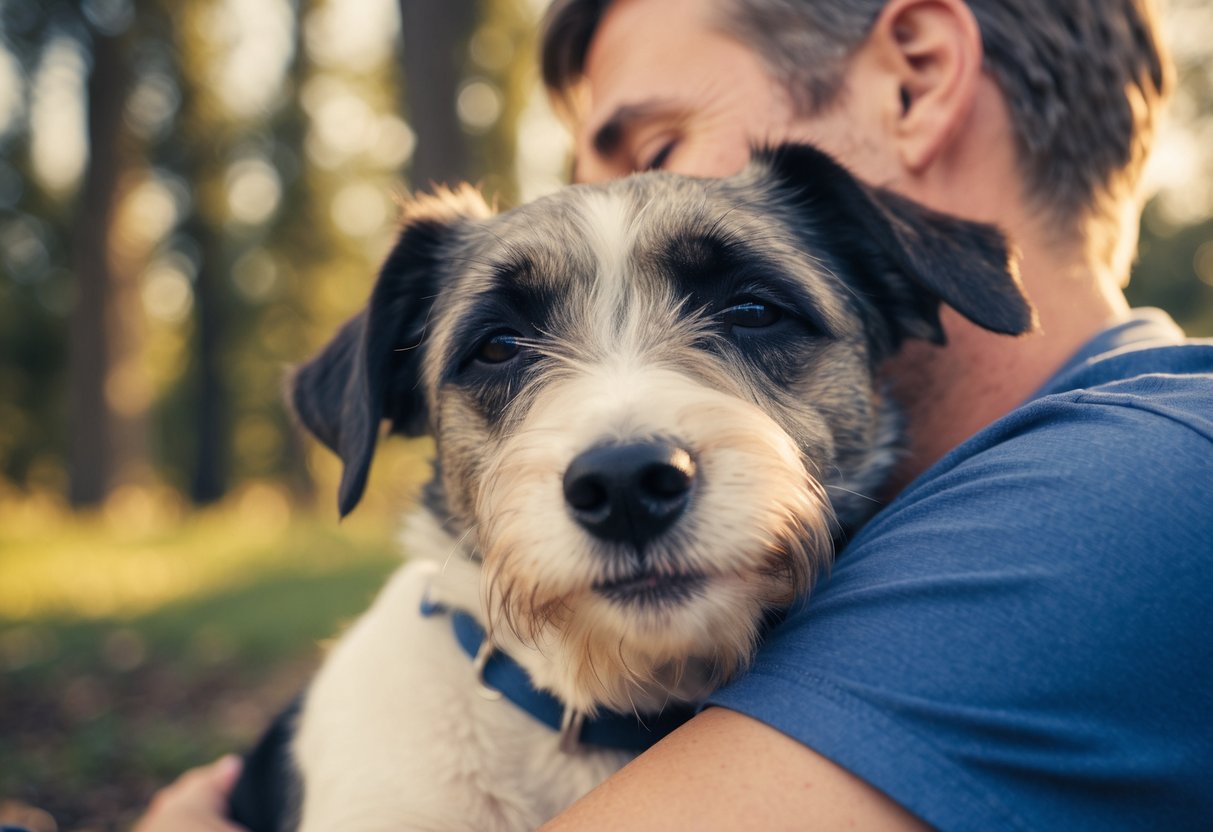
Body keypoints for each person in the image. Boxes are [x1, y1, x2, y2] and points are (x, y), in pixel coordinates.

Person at [138, 0, 1213, 828]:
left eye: (650, 154)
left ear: (915, 78)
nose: (618, 446)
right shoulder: (902, 548)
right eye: (504, 349)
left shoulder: (1135, 485)